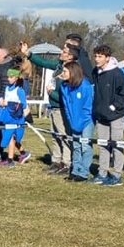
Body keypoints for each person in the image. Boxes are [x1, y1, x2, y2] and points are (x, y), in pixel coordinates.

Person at [22, 42, 73, 173]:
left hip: (61, 108)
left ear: (71, 56)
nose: (61, 52)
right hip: (53, 107)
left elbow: (65, 94)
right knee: (55, 135)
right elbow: (43, 62)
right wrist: (28, 54)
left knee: (63, 136)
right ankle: (56, 161)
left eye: (65, 52)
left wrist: (52, 93)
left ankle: (66, 163)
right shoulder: (58, 66)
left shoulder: (71, 71)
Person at [91, 45, 124, 186]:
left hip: (116, 116)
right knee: (102, 145)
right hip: (101, 116)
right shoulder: (96, 72)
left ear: (107, 58)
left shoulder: (117, 74)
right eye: (96, 56)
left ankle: (116, 175)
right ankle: (102, 172)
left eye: (100, 56)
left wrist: (113, 107)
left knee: (116, 144)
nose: (97, 59)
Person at [60, 61, 95, 182]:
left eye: (65, 71)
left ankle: (84, 172)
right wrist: (71, 121)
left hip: (86, 122)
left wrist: (80, 124)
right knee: (75, 146)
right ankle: (75, 170)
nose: (62, 74)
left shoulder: (85, 86)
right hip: (74, 122)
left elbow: (88, 108)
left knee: (85, 146)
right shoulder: (64, 87)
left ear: (72, 72)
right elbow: (66, 107)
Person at [0, 68, 28, 166]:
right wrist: (2, 101)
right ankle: (23, 153)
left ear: (16, 78)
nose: (9, 79)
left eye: (11, 77)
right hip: (7, 116)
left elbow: (23, 105)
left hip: (16, 118)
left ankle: (10, 160)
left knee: (11, 138)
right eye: (8, 77)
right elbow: (5, 99)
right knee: (9, 137)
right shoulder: (7, 88)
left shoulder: (20, 90)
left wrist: (9, 104)